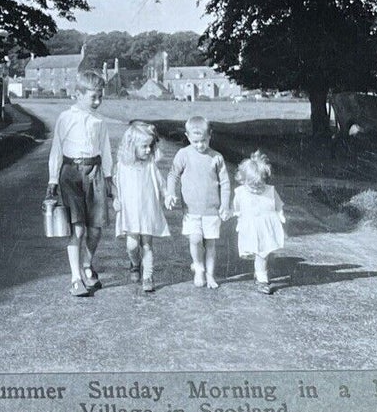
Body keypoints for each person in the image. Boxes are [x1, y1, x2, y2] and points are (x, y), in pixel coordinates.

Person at [46, 68, 114, 296]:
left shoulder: (99, 121)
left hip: (94, 172)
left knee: (95, 229)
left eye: (100, 96)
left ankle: (87, 264)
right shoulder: (66, 118)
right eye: (93, 96)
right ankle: (76, 278)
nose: (98, 101)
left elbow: (105, 150)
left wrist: (108, 177)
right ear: (78, 94)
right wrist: (53, 179)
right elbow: (56, 149)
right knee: (77, 228)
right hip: (70, 173)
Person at [165, 115, 232, 289]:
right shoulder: (183, 154)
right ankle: (199, 267)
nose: (200, 145)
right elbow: (173, 175)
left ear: (210, 136)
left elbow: (225, 183)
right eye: (195, 141)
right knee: (195, 239)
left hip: (211, 210)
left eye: (203, 141)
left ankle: (210, 275)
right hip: (191, 209)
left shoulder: (216, 157)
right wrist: (170, 193)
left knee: (210, 243)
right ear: (187, 137)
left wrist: (225, 204)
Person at [113, 120, 169, 294]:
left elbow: (160, 182)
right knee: (131, 245)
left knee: (147, 245)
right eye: (144, 146)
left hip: (147, 210)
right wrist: (116, 198)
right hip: (130, 211)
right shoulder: (123, 165)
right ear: (131, 146)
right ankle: (135, 264)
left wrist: (167, 194)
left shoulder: (150, 164)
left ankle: (148, 277)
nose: (148, 150)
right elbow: (117, 184)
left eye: (150, 146)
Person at [233, 150, 286, 294]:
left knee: (263, 253)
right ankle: (260, 274)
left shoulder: (270, 191)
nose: (256, 189)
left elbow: (278, 204)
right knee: (257, 252)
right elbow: (237, 207)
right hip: (250, 226)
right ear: (243, 180)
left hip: (266, 227)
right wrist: (237, 217)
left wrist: (280, 214)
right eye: (252, 186)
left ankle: (262, 279)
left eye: (260, 185)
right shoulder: (241, 192)